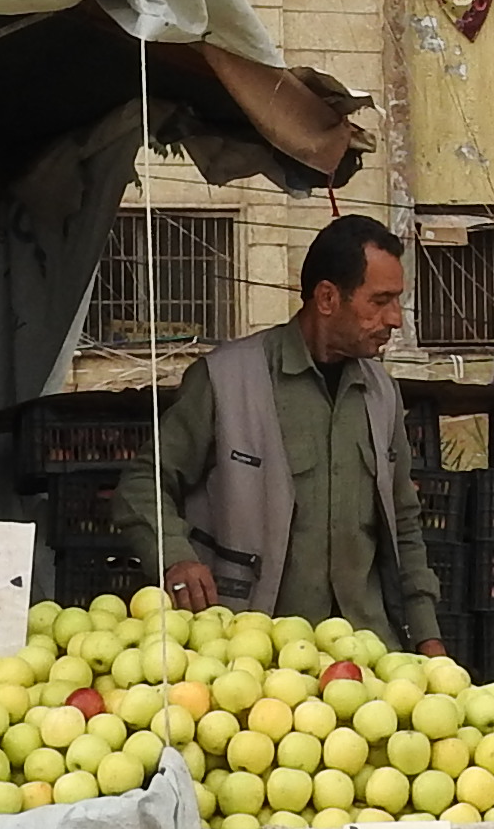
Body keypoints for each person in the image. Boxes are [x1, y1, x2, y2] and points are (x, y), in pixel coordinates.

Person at [145, 213, 447, 660]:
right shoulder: (226, 379)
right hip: (253, 654)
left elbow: (403, 523)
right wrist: (176, 555)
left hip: (366, 652)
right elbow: (145, 481)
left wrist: (427, 638)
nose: (395, 319)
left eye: (396, 301)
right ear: (327, 298)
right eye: (380, 301)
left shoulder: (381, 393)